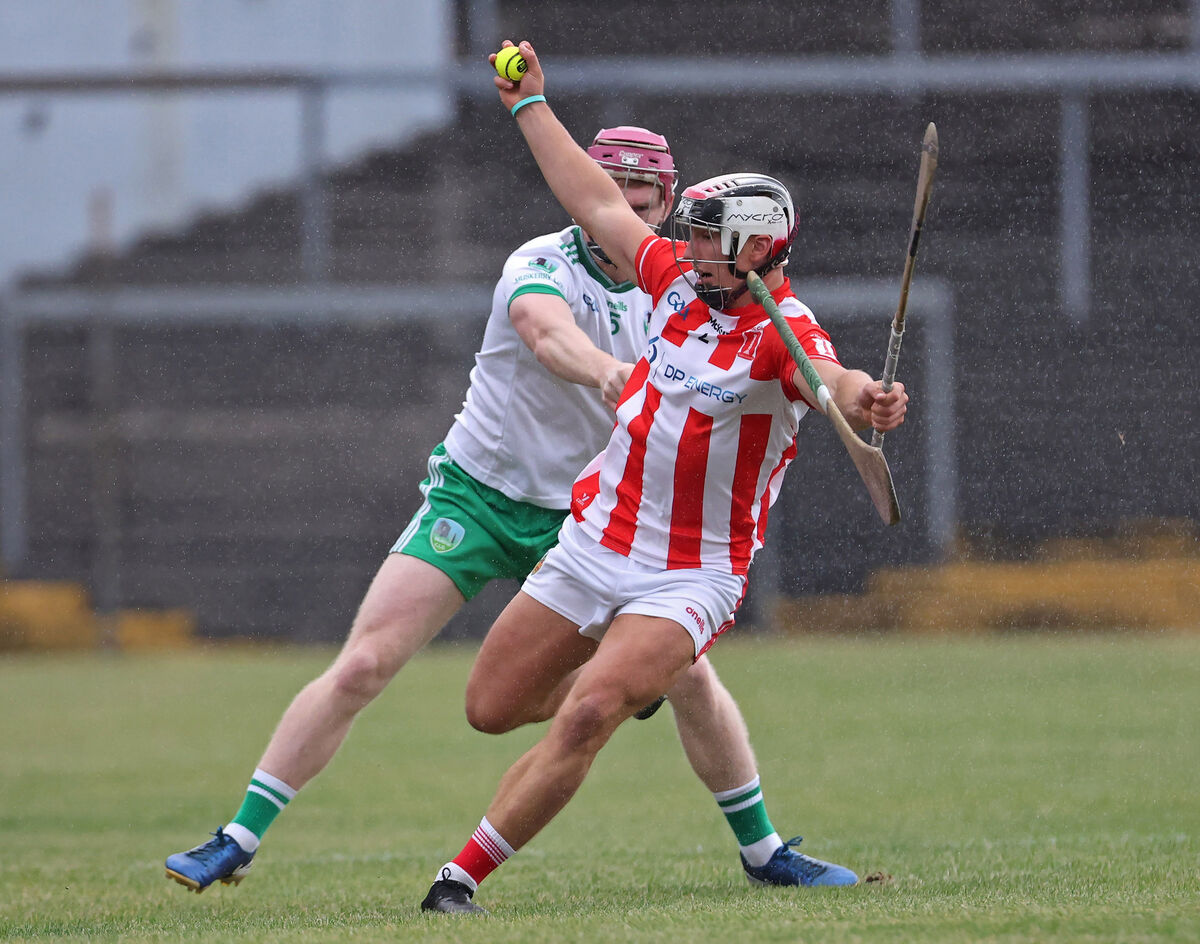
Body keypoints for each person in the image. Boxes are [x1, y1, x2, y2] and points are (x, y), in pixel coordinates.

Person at [164, 124, 819, 896]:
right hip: (479, 497)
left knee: (693, 680)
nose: (632, 218)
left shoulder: (687, 290)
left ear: (668, 202)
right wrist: (608, 373)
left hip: (596, 519)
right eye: (620, 199)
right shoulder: (541, 262)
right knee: (368, 662)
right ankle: (236, 838)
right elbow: (546, 334)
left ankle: (764, 851)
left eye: (648, 203)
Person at [419, 41, 910, 915]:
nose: (685, 242)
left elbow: (828, 380)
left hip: (692, 572)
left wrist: (864, 398)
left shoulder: (781, 333)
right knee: (491, 707)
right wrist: (528, 104)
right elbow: (596, 199)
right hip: (595, 539)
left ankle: (458, 881)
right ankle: (628, 681)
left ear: (756, 250)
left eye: (709, 239)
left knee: (586, 715)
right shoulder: (679, 281)